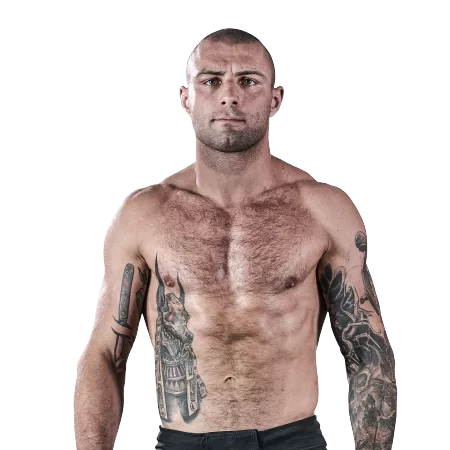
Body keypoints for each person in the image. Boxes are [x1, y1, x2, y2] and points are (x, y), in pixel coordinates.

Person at [74, 28, 397, 450]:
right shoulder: (144, 215)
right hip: (183, 443)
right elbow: (104, 354)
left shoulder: (324, 210)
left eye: (248, 81)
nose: (229, 96)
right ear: (186, 97)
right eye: (211, 81)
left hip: (292, 441)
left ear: (275, 99)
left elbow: (367, 350)